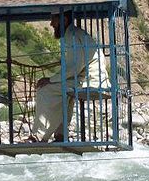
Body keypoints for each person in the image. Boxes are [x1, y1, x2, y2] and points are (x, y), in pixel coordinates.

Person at [30, 10, 110, 142]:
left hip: (90, 80)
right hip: (92, 79)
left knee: (45, 90)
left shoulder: (72, 36)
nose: (51, 24)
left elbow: (74, 66)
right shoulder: (75, 34)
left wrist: (50, 79)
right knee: (63, 91)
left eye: (53, 20)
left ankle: (39, 136)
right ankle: (61, 133)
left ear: (64, 20)